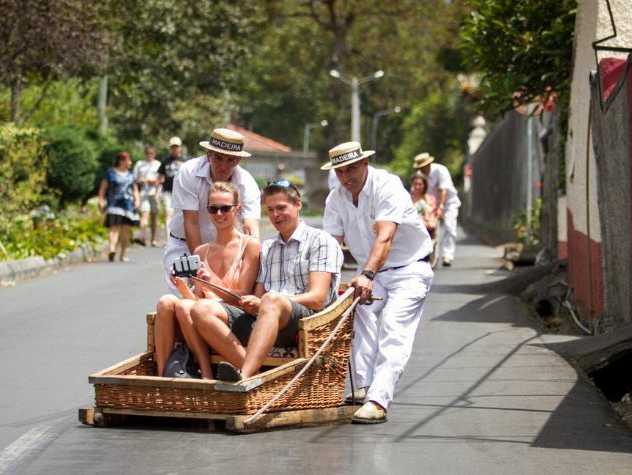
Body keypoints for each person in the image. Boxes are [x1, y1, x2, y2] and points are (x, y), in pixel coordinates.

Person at [189, 180, 343, 382]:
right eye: (270, 210)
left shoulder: (320, 240)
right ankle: (254, 372)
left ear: (298, 205)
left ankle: (245, 376)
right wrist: (252, 301)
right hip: (264, 317)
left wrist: (266, 301)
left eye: (281, 208)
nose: (275, 215)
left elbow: (317, 299)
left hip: (305, 323)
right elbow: (258, 297)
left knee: (272, 299)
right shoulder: (268, 247)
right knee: (200, 309)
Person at [323, 141, 433, 424]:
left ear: (365, 165)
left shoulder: (387, 185)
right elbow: (331, 248)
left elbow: (385, 237)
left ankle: (378, 400)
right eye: (340, 172)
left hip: (409, 269)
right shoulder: (335, 198)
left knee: (394, 330)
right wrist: (328, 284)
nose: (347, 177)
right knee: (356, 310)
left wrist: (367, 275)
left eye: (351, 169)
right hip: (370, 272)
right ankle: (362, 387)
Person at [154, 182, 261, 379]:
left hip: (235, 314)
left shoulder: (250, 245)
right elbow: (195, 299)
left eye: (225, 208)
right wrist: (182, 285)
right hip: (202, 312)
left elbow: (243, 296)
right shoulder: (201, 251)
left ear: (237, 209)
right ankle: (162, 377)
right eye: (213, 209)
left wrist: (211, 282)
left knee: (190, 307)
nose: (219, 214)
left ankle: (206, 374)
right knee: (167, 301)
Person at [162, 128, 261, 293]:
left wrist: (252, 264)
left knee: (224, 300)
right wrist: (202, 265)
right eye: (218, 158)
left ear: (238, 160)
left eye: (230, 160)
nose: (223, 166)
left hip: (224, 249)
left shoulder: (247, 183)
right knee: (183, 301)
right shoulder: (189, 172)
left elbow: (251, 229)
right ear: (208, 155)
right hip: (184, 245)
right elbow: (191, 223)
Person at [413, 152, 461, 267]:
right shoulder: (420, 174)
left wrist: (440, 207)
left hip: (448, 203)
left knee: (449, 226)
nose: (422, 169)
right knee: (431, 229)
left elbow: (443, 190)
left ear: (428, 164)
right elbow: (418, 192)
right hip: (430, 204)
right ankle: (432, 255)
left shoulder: (440, 170)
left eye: (423, 167)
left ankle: (447, 255)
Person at [98, 151, 140, 262]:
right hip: (114, 204)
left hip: (127, 206)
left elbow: (135, 189)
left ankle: (123, 253)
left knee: (125, 230)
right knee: (113, 227)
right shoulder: (110, 173)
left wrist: (137, 200)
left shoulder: (130, 175)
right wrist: (101, 200)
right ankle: (112, 249)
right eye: (128, 160)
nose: (130, 162)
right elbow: (103, 188)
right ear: (122, 161)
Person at [133, 144, 161, 247]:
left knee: (154, 216)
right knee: (144, 214)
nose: (149, 155)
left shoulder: (158, 164)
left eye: (152, 153)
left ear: (155, 154)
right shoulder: (139, 164)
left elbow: (160, 179)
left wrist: (148, 180)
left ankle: (153, 239)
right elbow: (135, 180)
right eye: (148, 153)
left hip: (154, 193)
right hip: (143, 193)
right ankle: (142, 237)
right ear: (145, 154)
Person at [157, 136, 186, 237]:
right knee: (168, 213)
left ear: (180, 147)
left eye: (177, 147)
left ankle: (179, 235)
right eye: (173, 147)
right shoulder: (165, 161)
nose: (175, 149)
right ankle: (169, 237)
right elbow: (160, 176)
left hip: (182, 192)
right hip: (168, 191)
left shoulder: (185, 161)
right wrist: (157, 191)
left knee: (180, 214)